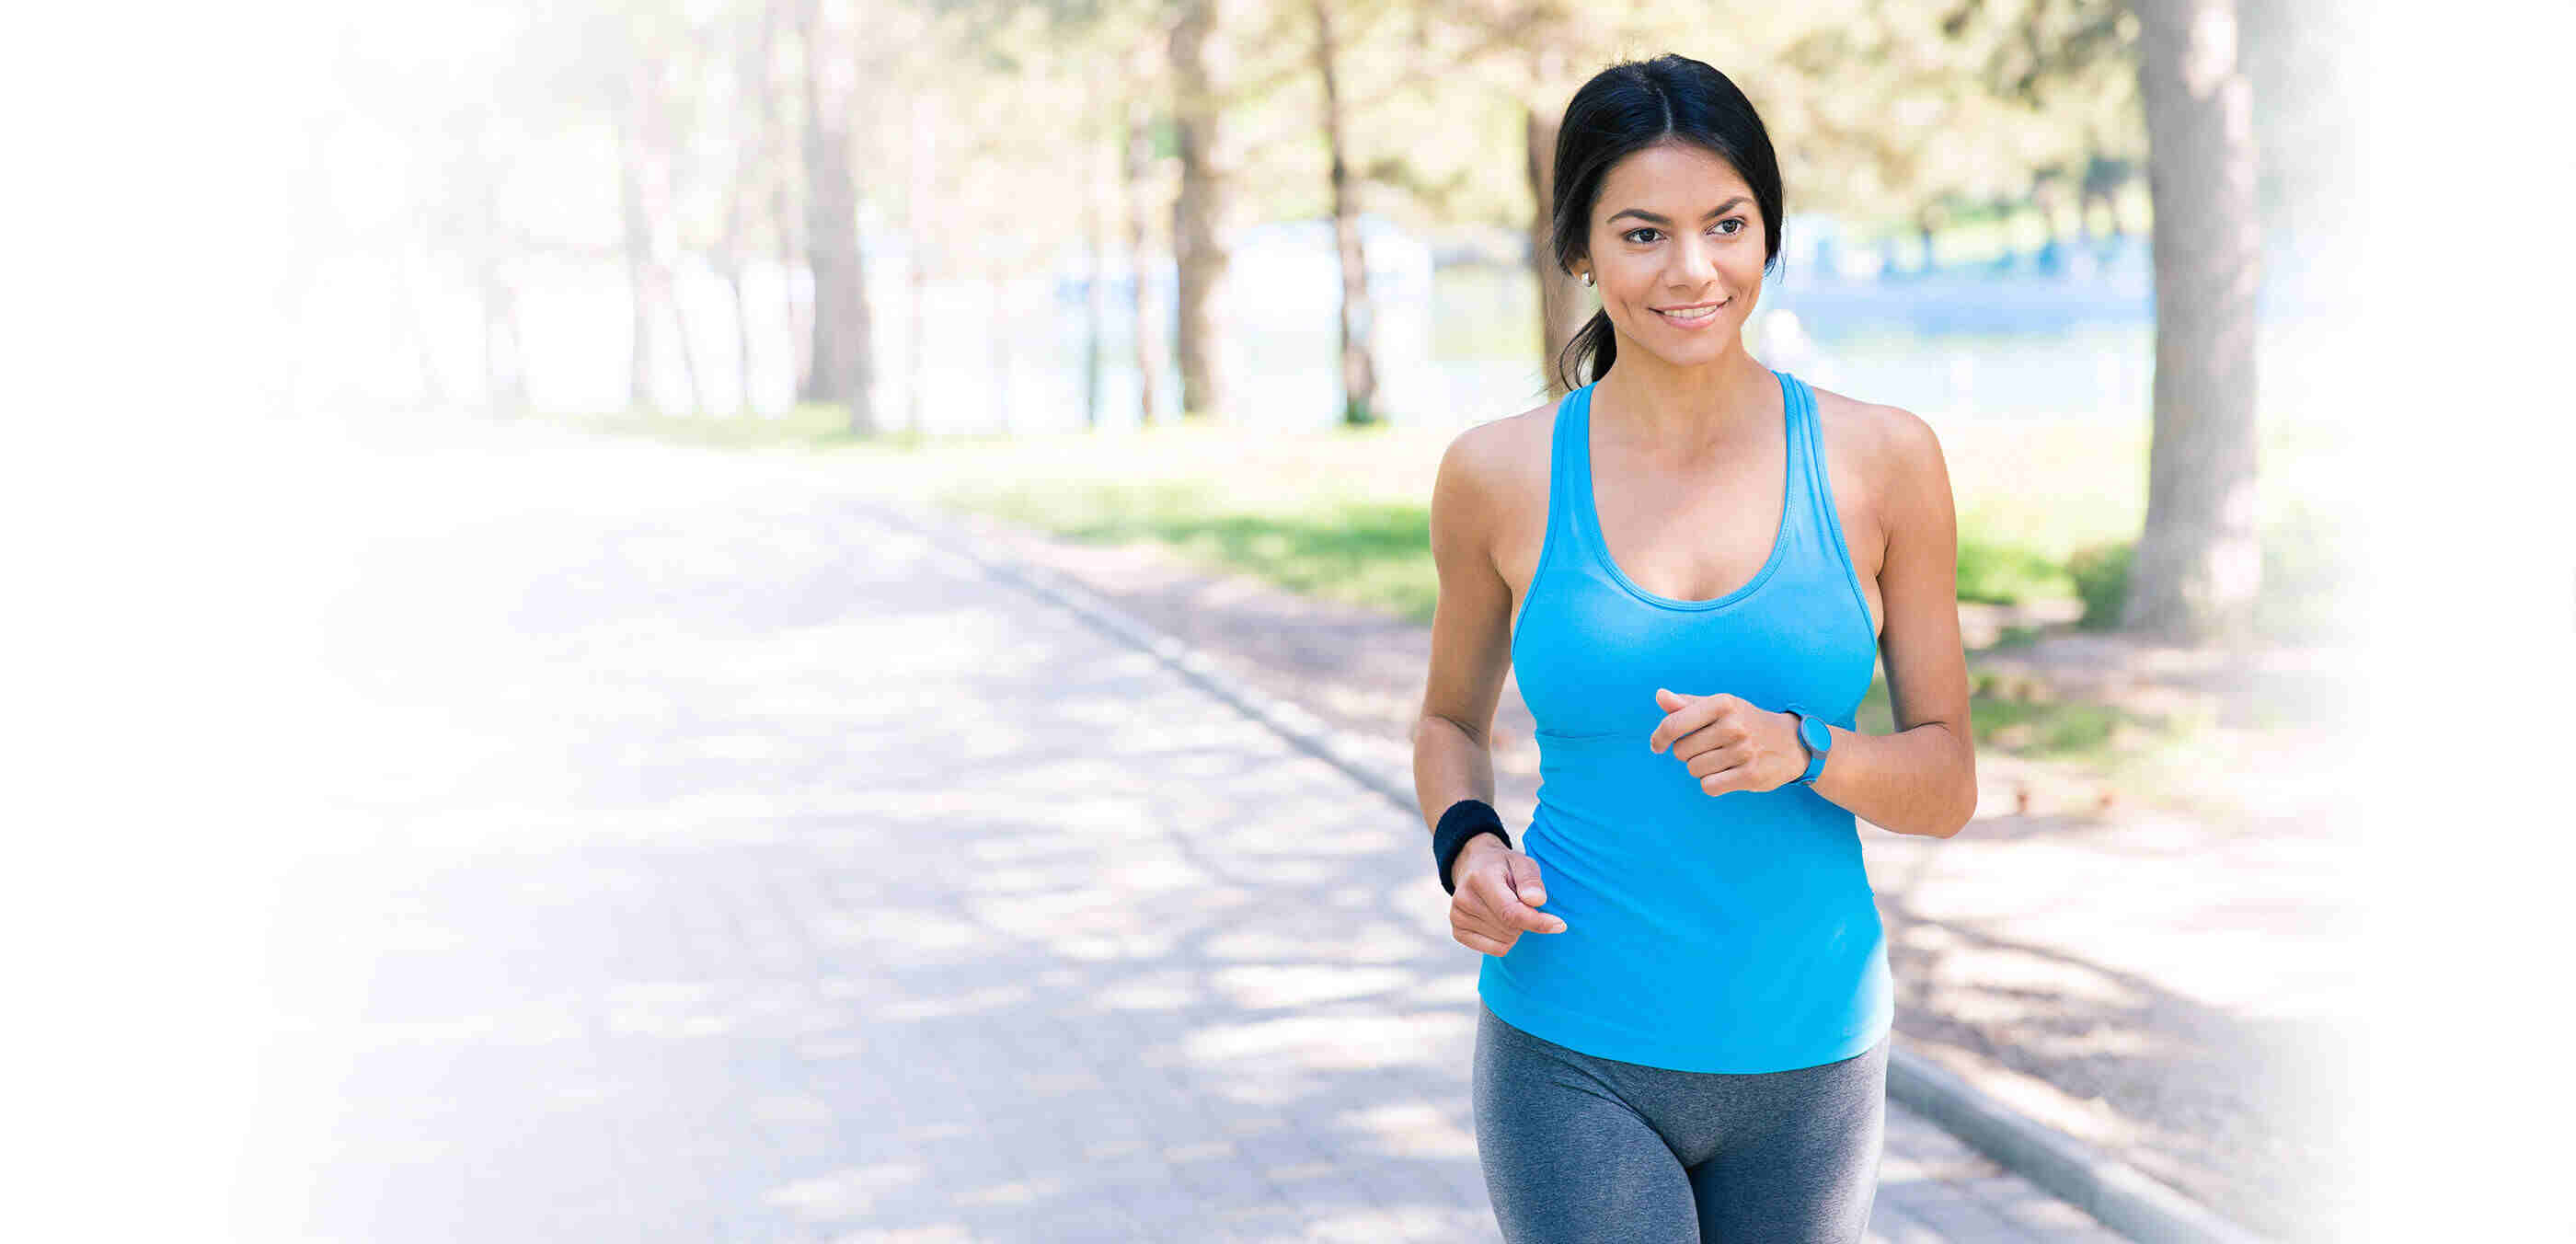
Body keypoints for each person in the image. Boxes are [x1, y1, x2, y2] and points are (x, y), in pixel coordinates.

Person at [1411, 53, 1976, 1243]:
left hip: (1812, 1054)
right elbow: (1450, 723)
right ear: (1579, 250)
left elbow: (1945, 782)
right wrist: (1468, 847)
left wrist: (1810, 751)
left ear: (1769, 234)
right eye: (1642, 232)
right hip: (1573, 1046)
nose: (1692, 270)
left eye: (1727, 225)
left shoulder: (1885, 461)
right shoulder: (1496, 474)